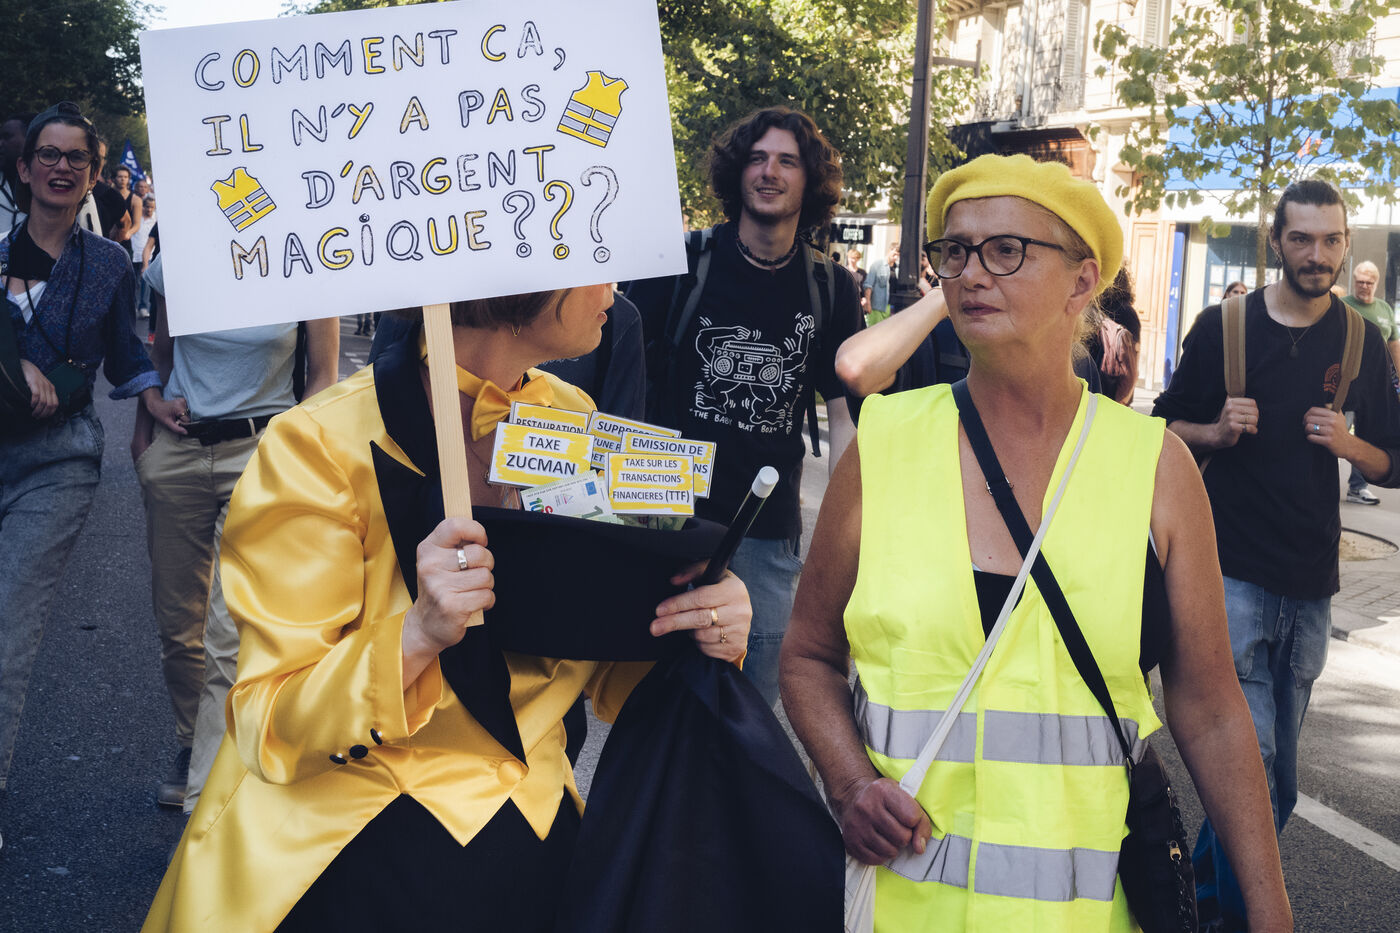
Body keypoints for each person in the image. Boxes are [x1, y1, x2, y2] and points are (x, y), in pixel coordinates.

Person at [781, 154, 1292, 932]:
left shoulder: (1156, 468)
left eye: (1006, 250)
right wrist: (849, 783)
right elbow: (808, 655)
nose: (971, 274)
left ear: (1082, 282)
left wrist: (1270, 907)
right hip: (898, 912)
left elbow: (1212, 706)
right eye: (956, 251)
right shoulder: (884, 444)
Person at [142, 285, 751, 931]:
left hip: (535, 837)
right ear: (522, 282)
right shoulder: (318, 443)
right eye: (592, 267)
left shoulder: (574, 417)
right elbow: (268, 718)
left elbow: (603, 667)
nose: (613, 290)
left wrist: (700, 622)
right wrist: (413, 636)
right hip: (347, 836)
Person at [1152, 178, 1400, 933]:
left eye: (1331, 240)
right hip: (1226, 574)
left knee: (1277, 785)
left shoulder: (1359, 341)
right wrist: (1214, 431)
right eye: (1302, 239)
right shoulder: (1223, 327)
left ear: (1346, 243)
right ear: (1276, 241)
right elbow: (1160, 430)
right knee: (1252, 768)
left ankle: (1192, 894)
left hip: (1311, 581)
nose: (1317, 254)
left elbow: (1392, 458)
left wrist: (1351, 445)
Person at [626, 106, 864, 708]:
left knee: (748, 709)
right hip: (664, 517)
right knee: (645, 699)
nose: (769, 172)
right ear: (737, 172)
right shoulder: (680, 263)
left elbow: (844, 420)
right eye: (757, 158)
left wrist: (839, 538)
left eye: (787, 161)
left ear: (810, 180)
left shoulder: (831, 288)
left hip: (765, 532)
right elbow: (621, 377)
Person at [0, 102, 185, 826]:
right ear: (24, 168)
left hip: (59, 460)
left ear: (93, 175)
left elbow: (126, 353)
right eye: (48, 154)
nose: (61, 166)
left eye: (77, 157)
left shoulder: (107, 263)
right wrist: (15, 361)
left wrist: (156, 399)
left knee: (9, 623)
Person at [134, 252, 340, 813]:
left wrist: (297, 457)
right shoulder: (184, 249)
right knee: (178, 626)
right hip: (177, 450)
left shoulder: (302, 257)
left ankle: (205, 805)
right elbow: (161, 354)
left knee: (227, 636)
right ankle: (192, 746)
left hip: (259, 452)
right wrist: (144, 434)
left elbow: (323, 377)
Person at [1341, 260, 1399, 504]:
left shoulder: (1384, 309)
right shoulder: (1342, 306)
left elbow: (1393, 345)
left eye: (1369, 282)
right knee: (1333, 435)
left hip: (1375, 388)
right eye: (1360, 281)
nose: (1364, 286)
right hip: (1343, 387)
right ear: (1354, 282)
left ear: (1376, 284)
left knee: (1365, 441)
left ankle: (1357, 487)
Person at [131, 194, 156, 317]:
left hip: (148, 255)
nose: (149, 209)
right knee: (133, 282)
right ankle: (133, 306)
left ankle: (143, 306)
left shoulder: (156, 219)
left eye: (152, 207)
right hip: (134, 253)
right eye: (147, 207)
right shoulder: (137, 218)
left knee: (145, 283)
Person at [865, 241, 898, 326]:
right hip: (877, 307)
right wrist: (868, 303)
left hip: (892, 307)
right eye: (894, 254)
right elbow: (868, 285)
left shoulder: (898, 268)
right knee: (873, 331)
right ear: (889, 250)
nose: (896, 257)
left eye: (898, 255)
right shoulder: (877, 265)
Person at [846, 246, 869, 312]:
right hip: (847, 299)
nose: (852, 260)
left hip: (860, 301)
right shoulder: (845, 271)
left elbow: (864, 286)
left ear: (858, 259)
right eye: (850, 258)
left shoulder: (862, 273)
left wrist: (864, 298)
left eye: (854, 258)